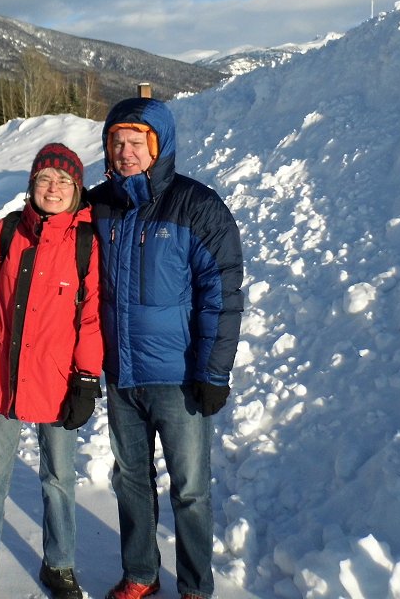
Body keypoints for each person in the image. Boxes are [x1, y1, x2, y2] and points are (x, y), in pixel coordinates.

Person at [89, 97, 244, 599]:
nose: (126, 152)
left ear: (159, 147)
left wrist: (213, 373)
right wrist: (2, 234)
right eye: (117, 142)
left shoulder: (196, 206)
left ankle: (197, 585)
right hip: (123, 375)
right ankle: (141, 574)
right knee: (130, 481)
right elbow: (48, 229)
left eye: (137, 142)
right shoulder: (100, 206)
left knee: (191, 489)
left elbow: (221, 295)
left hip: (179, 379)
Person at [0, 142, 104, 599]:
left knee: (59, 481)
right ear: (31, 186)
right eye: (45, 179)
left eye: (64, 181)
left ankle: (59, 565)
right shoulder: (4, 234)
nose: (53, 188)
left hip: (59, 384)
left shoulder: (85, 242)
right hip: (3, 375)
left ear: (77, 190)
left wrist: (85, 379)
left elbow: (93, 315)